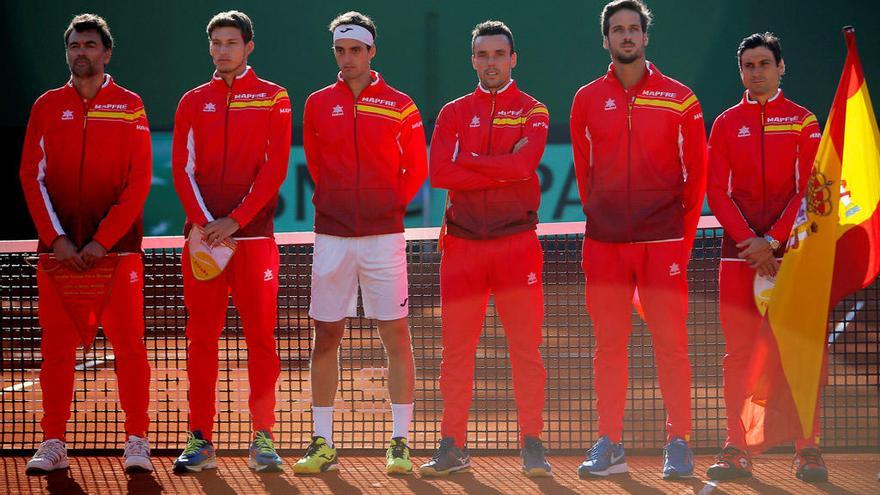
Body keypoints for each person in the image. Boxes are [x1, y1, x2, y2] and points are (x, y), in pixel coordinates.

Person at [569, 0, 707, 479]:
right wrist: (604, 218)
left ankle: (680, 442)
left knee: (671, 344)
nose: (626, 36)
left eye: (634, 29)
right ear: (605, 39)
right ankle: (609, 442)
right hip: (605, 243)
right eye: (617, 29)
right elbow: (585, 176)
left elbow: (697, 179)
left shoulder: (681, 98)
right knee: (609, 346)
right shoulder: (586, 99)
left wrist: (677, 240)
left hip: (663, 241)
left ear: (646, 37)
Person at [19, 13, 153, 474]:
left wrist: (101, 240)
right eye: (74, 45)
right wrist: (55, 239)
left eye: (90, 45)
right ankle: (53, 441)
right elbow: (30, 177)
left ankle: (137, 439)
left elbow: (138, 182)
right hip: (58, 256)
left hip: (117, 253)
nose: (81, 52)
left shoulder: (131, 104)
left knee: (130, 348)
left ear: (106, 52)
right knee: (56, 351)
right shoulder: (46, 106)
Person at [295, 11, 427, 475]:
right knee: (325, 336)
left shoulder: (400, 104)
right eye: (340, 50)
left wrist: (387, 207)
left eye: (355, 50)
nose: (347, 58)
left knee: (395, 335)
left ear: (372, 51)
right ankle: (323, 443)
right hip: (331, 236)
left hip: (383, 238)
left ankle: (400, 444)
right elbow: (316, 161)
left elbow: (417, 168)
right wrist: (336, 203)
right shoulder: (316, 104)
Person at [420, 20, 551, 478]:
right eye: (483, 55)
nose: (491, 62)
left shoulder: (535, 111)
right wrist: (501, 167)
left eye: (499, 54)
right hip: (462, 248)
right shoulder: (454, 113)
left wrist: (468, 163)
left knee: (525, 350)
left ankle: (532, 443)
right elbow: (439, 173)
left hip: (517, 247)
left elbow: (525, 164)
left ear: (513, 59)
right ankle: (452, 444)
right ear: (473, 59)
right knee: (456, 352)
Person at [170, 10, 291, 473]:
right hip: (203, 240)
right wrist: (206, 223)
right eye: (216, 42)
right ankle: (199, 439)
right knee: (201, 339)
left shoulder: (274, 98)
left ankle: (263, 438)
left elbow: (275, 168)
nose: (223, 50)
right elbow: (182, 169)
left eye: (231, 42)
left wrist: (235, 220)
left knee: (261, 338)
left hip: (254, 241)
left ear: (248, 47)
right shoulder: (191, 101)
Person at [705, 32, 825, 483]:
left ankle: (807, 450)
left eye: (764, 64)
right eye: (748, 65)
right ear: (742, 72)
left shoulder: (803, 121)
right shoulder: (724, 123)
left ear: (780, 68)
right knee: (738, 356)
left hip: (792, 256)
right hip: (738, 258)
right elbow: (716, 191)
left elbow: (809, 189)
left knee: (797, 352)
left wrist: (772, 240)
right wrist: (749, 242)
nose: (756, 71)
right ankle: (736, 447)